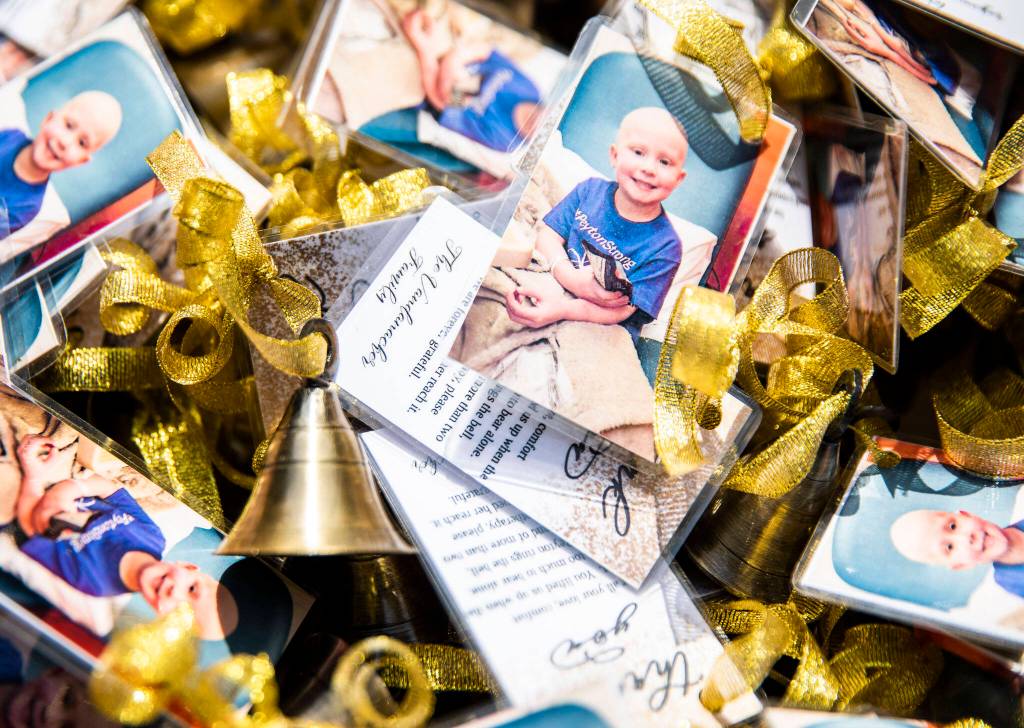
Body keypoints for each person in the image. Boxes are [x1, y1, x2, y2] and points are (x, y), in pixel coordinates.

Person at [11, 434, 237, 640]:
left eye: (178, 611)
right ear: (188, 566)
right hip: (72, 484)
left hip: (29, 496)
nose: (175, 592)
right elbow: (109, 490)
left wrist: (34, 476)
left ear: (161, 616)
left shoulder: (94, 582)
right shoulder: (153, 537)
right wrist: (72, 488)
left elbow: (31, 529)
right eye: (191, 589)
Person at [504, 107, 688, 341]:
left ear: (678, 179)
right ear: (615, 155)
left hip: (602, 324)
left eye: (664, 161)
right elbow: (547, 236)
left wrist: (563, 309)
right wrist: (570, 278)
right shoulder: (589, 191)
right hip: (556, 281)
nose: (649, 168)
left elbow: (624, 311)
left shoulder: (666, 247)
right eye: (639, 152)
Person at [401, 7, 540, 153]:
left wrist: (424, 48)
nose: (538, 125)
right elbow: (488, 51)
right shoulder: (532, 91)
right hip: (457, 51)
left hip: (430, 81)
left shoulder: (505, 140)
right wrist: (455, 59)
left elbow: (443, 102)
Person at [0, 91, 121, 256]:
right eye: (68, 125)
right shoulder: (10, 135)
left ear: (81, 161)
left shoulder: (27, 206)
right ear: (49, 119)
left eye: (81, 143)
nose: (65, 142)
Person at [890, 509, 1024, 598]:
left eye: (953, 526)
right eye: (950, 547)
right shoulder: (1008, 580)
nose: (965, 538)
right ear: (961, 565)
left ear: (966, 514)